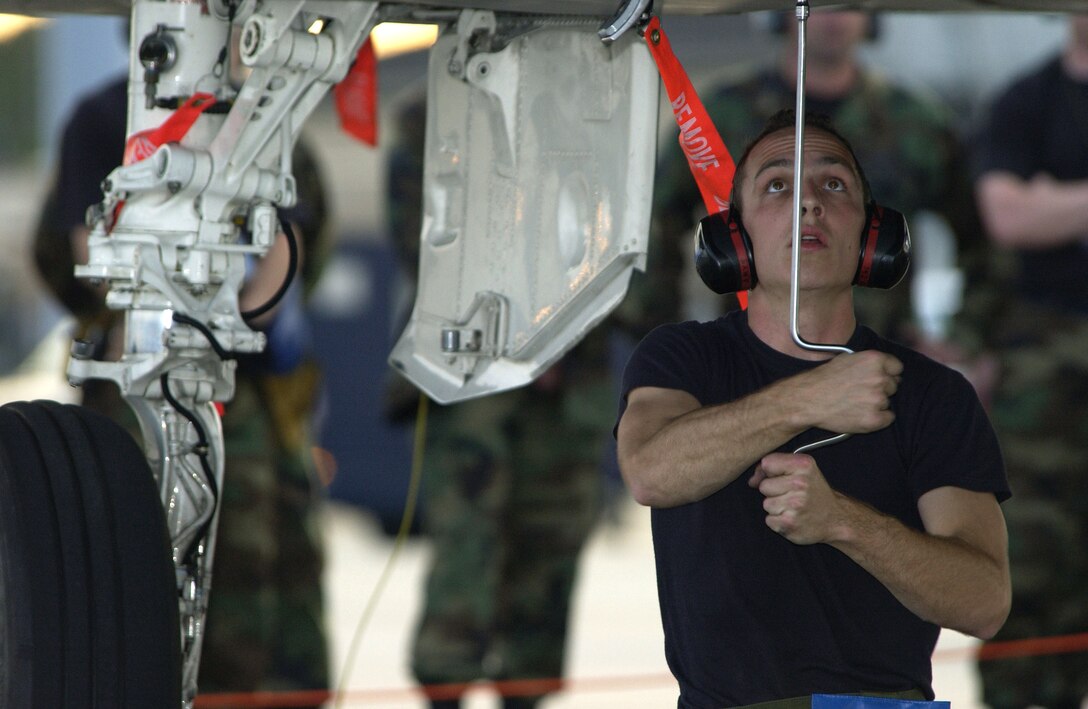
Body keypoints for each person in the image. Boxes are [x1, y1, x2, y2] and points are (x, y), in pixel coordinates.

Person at [615, 109, 1011, 708]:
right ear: (734, 238)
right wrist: (810, 396)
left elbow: (984, 601)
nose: (809, 205)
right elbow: (650, 471)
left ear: (872, 236)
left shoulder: (931, 394)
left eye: (834, 185)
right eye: (777, 185)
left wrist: (843, 522)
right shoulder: (682, 358)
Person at [33, 74, 331, 704]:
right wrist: (158, 320)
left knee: (268, 578)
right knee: (136, 568)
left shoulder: (270, 114)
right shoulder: (106, 115)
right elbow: (85, 241)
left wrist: (230, 327)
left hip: (245, 387)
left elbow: (290, 236)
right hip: (138, 378)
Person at [384, 91, 614, 709]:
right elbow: (425, 236)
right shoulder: (436, 111)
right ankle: (446, 682)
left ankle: (524, 690)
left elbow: (615, 225)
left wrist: (557, 331)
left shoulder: (598, 108)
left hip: (568, 377)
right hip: (471, 362)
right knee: (467, 537)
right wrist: (518, 328)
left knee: (551, 539)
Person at [649, 10, 981, 345]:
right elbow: (656, 222)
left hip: (877, 354)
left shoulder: (915, 121)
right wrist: (667, 340)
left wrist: (964, 339)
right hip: (751, 354)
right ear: (781, 14)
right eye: (819, 3)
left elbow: (983, 232)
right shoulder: (724, 114)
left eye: (849, 2)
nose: (835, 16)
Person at [969, 16, 1088, 709]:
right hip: (1041, 368)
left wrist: (1057, 200)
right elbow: (1007, 216)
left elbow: (1029, 210)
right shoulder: (1025, 101)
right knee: (1029, 558)